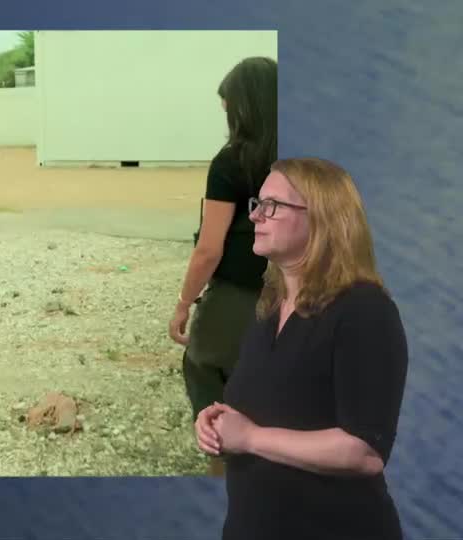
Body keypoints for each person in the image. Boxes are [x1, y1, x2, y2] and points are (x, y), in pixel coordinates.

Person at [195, 158, 408, 540]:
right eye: (256, 204)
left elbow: (364, 450)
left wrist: (250, 438)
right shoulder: (269, 307)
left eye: (272, 205)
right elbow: (271, 408)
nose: (256, 216)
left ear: (323, 220)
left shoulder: (364, 311)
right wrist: (218, 423)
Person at [168, 56, 277, 475]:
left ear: (245, 105)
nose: (226, 114)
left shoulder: (233, 162)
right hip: (300, 292)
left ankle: (227, 473)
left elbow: (209, 249)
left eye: (228, 104)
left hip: (240, 294)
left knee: (204, 369)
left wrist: (183, 303)